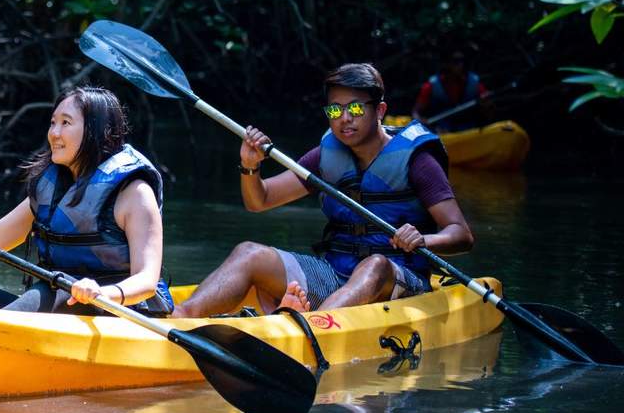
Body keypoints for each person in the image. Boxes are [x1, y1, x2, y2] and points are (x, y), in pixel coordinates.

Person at [172, 63, 473, 317]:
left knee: (375, 265)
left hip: (399, 278)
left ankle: (314, 327)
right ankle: (179, 319)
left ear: (379, 110)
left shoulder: (418, 160)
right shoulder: (327, 155)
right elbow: (259, 200)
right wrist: (250, 166)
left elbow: (461, 234)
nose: (344, 118)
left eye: (355, 108)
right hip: (335, 274)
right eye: (335, 109)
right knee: (248, 252)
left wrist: (424, 239)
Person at [0, 85, 172, 315]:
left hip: (118, 309)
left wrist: (103, 292)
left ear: (96, 132)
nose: (54, 133)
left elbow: (146, 280)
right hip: (55, 298)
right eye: (53, 122)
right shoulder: (52, 188)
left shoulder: (133, 194)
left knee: (48, 293)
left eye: (66, 123)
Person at [412, 49, 490, 132]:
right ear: (446, 63)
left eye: (461, 61)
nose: (460, 65)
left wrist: (486, 105)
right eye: (455, 62)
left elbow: (488, 110)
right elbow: (416, 112)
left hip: (469, 131)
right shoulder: (431, 86)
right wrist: (422, 123)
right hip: (443, 132)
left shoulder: (473, 83)